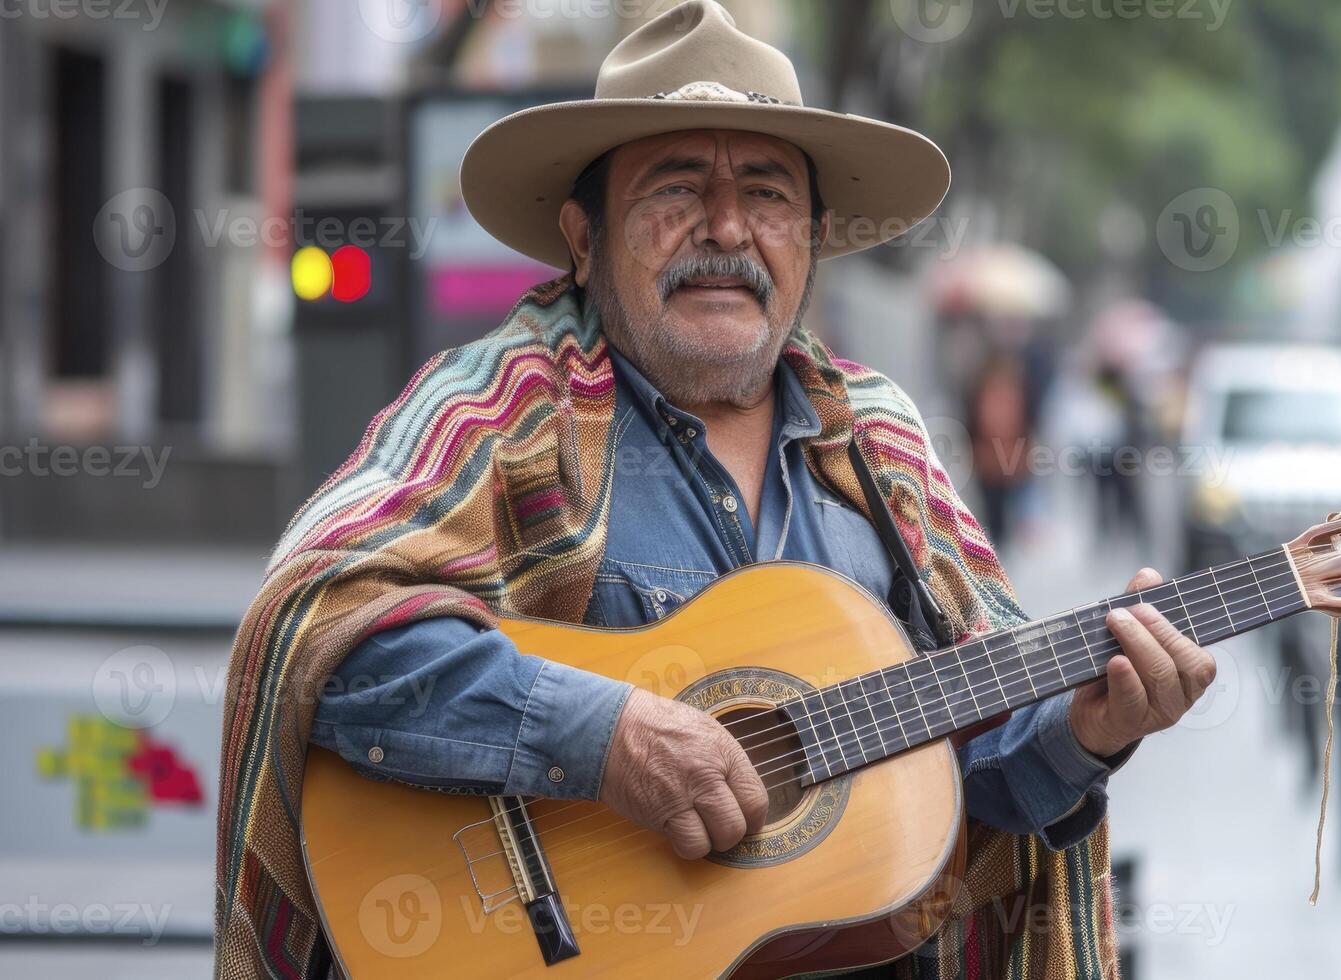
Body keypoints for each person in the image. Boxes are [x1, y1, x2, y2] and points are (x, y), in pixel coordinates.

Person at [213, 5, 1219, 977]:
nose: (728, 226)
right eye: (675, 187)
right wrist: (605, 737)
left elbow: (965, 790)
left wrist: (1086, 731)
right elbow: (316, 628)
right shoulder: (498, 408)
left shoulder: (883, 440)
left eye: (770, 193)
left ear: (813, 239)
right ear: (583, 233)